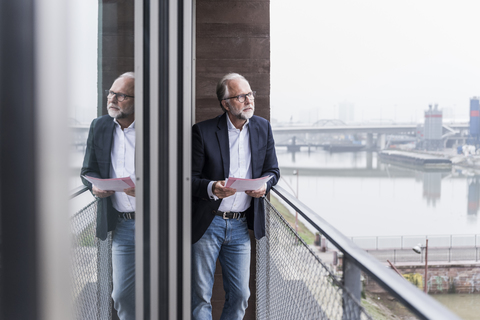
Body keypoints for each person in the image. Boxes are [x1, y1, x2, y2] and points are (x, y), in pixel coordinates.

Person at [191, 73, 280, 320]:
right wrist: (212, 188)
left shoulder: (263, 128)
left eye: (250, 94)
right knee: (200, 297)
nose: (248, 100)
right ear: (225, 103)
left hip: (241, 225)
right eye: (240, 96)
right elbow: (187, 178)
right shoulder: (202, 131)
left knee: (240, 296)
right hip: (208, 223)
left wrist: (264, 186)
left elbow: (273, 171)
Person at [81, 72, 136, 320]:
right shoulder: (99, 126)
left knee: (159, 291)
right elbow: (87, 170)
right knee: (122, 295)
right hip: (123, 225)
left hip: (159, 224)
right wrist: (94, 187)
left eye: (121, 95)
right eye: (111, 93)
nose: (112, 99)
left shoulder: (159, 129)